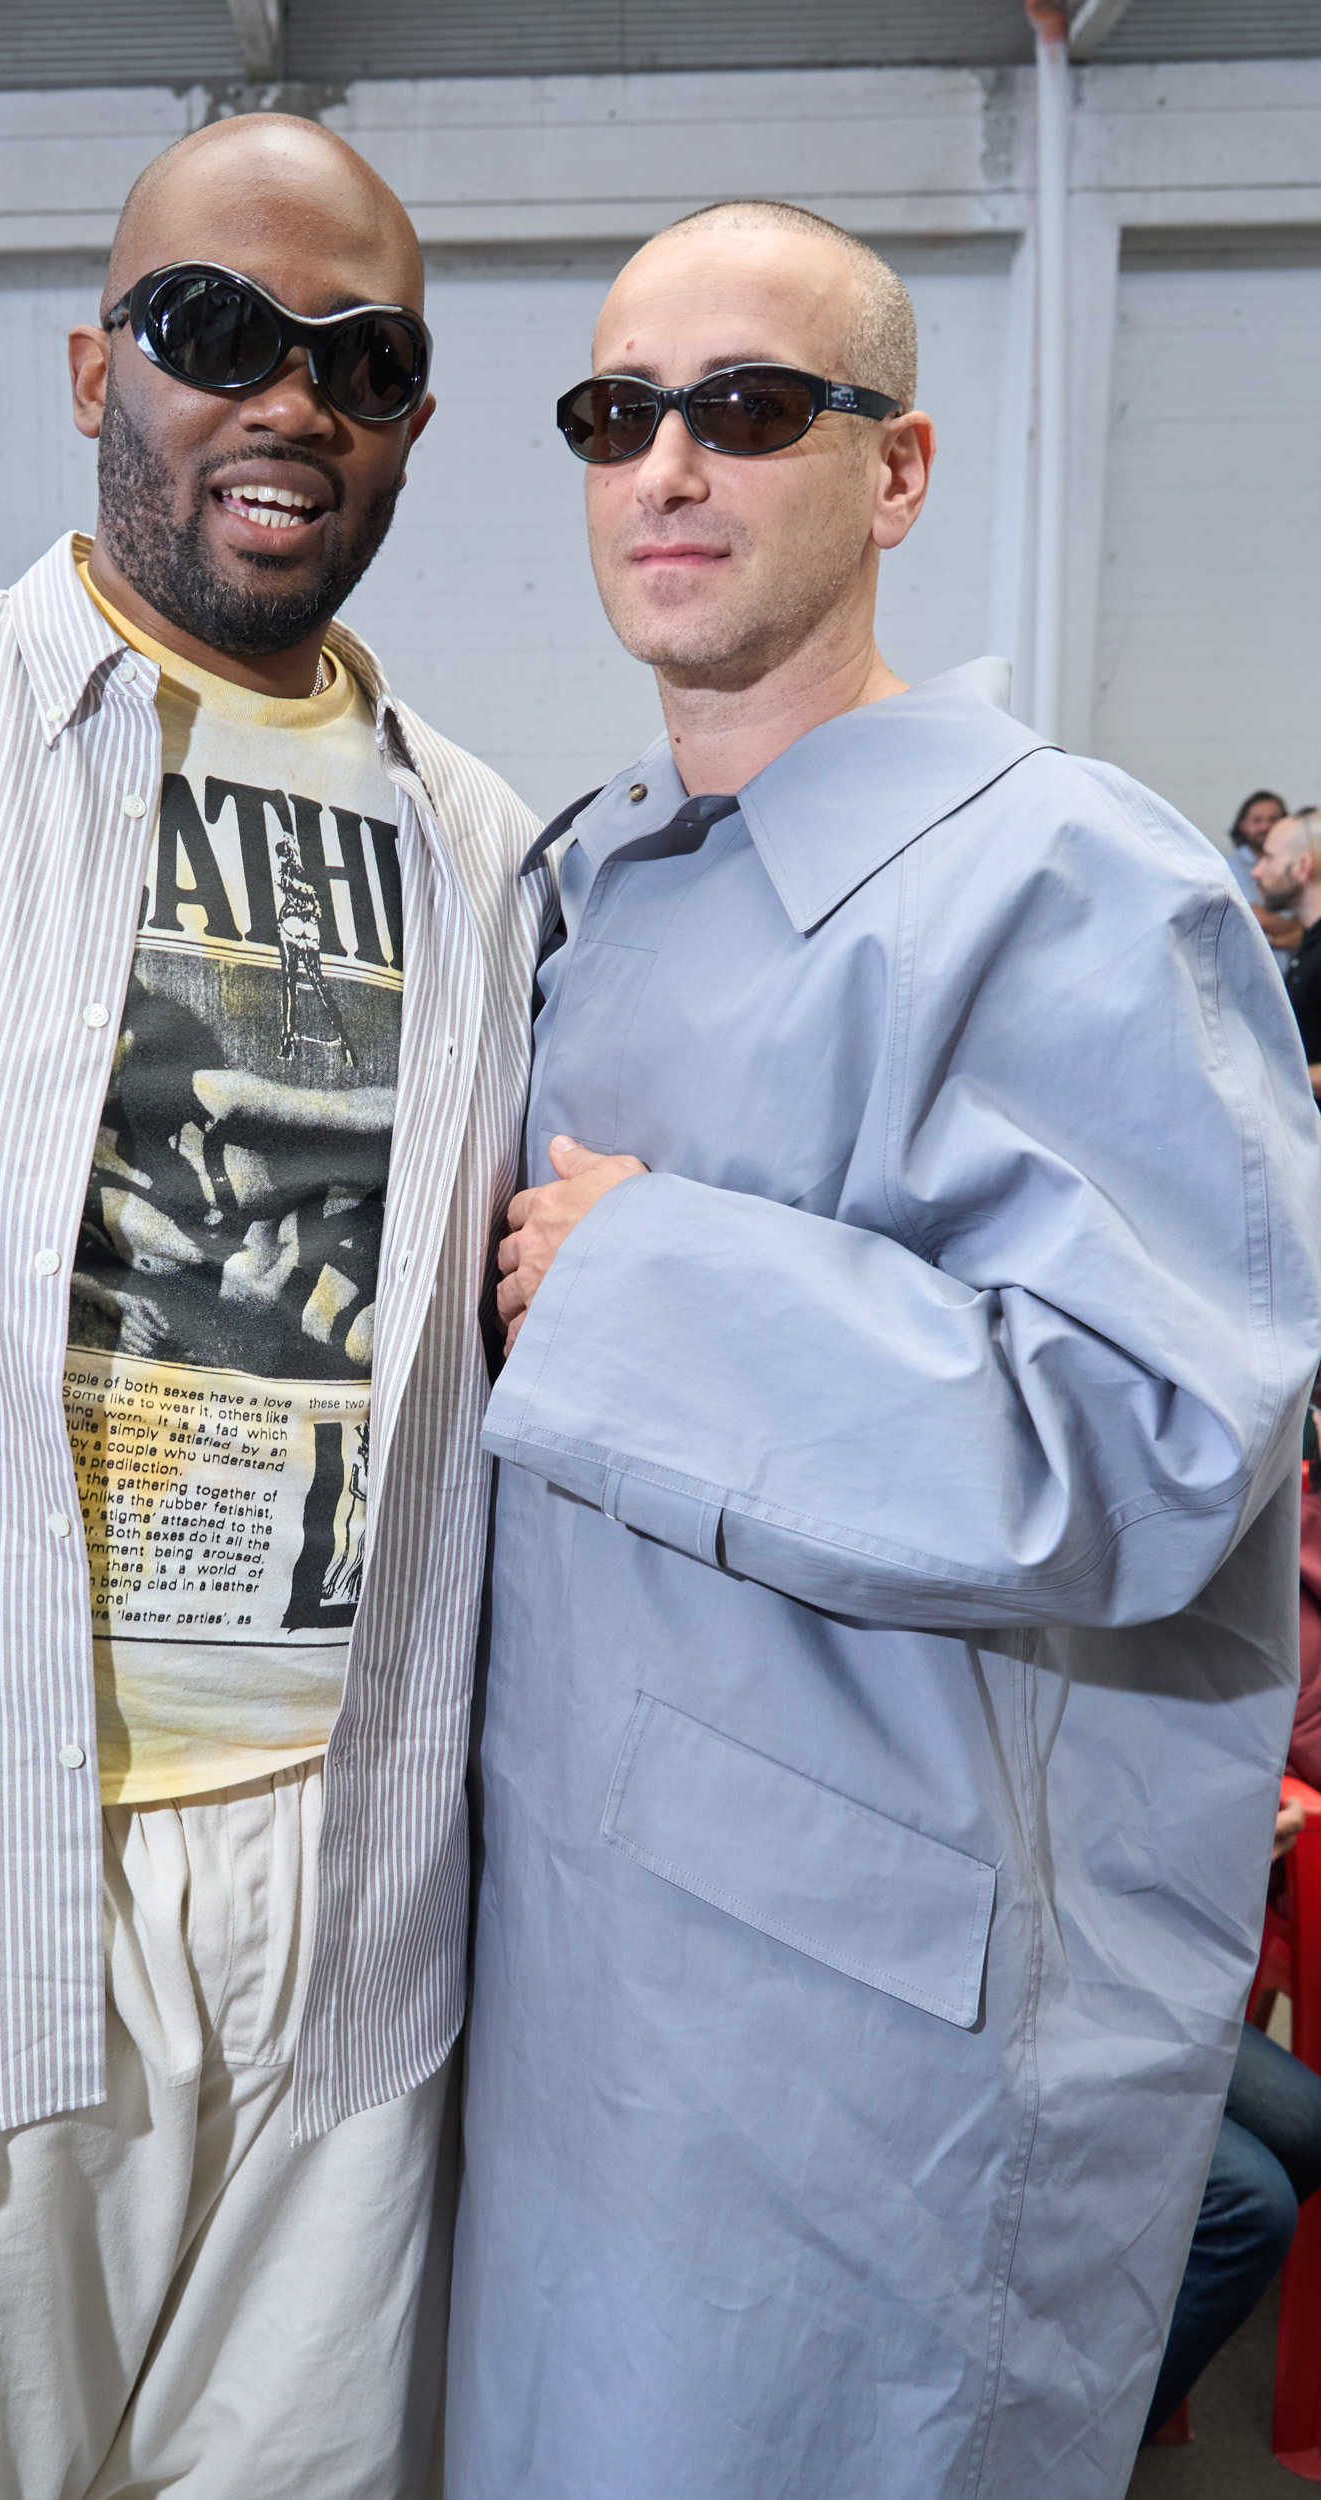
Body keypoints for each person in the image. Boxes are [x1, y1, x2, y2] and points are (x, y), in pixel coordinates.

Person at [0, 115, 547, 2500]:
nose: (289, 400)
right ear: (95, 364)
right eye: (215, 331)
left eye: (360, 359)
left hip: (348, 1900)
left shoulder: (473, 842)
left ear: (415, 424)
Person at [445, 198, 1321, 2498]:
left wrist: (649, 1284)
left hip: (860, 2061)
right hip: (563, 1973)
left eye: (745, 410)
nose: (669, 471)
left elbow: (1145, 1442)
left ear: (896, 471)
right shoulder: (581, 880)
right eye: (618, 415)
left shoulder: (1069, 887)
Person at [1145, 1793, 1321, 2444]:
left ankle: (1104, 2354)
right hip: (1048, 1948)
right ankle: (1058, 2459)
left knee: (1304, 2125)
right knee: (1249, 2205)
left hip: (1131, 1938)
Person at [1254, 806, 1321, 1092]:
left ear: (1303, 867)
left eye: (1268, 857)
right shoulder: (1309, 943)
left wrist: (1266, 1082)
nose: (1256, 870)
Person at [1227, 786, 1298, 949]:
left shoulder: (1298, 865)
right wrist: (1297, 928)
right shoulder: (1229, 866)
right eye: (1257, 820)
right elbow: (1257, 919)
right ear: (1243, 825)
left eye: (1273, 819)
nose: (1265, 826)